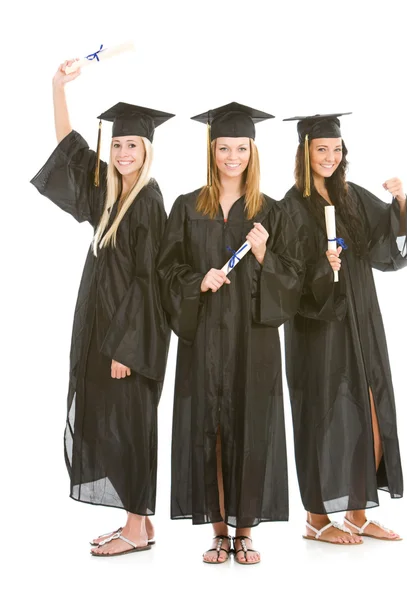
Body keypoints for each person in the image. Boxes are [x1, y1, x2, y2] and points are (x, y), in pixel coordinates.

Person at [30, 59, 174, 557]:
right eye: (117, 143)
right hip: (99, 326)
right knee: (113, 419)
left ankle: (135, 527)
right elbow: (68, 144)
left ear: (147, 150)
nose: (123, 151)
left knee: (132, 421)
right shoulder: (108, 193)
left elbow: (147, 282)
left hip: (129, 337)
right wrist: (57, 88)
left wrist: (126, 348)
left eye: (132, 143)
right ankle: (139, 523)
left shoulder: (149, 201)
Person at [157, 102, 303, 564]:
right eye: (224, 147)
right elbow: (165, 270)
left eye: (241, 147)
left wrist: (264, 257)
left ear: (253, 151)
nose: (233, 156)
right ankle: (218, 530)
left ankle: (246, 530)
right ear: (212, 149)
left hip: (251, 340)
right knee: (210, 429)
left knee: (249, 427)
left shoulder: (271, 212)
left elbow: (294, 278)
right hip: (204, 340)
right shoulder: (186, 206)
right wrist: (197, 281)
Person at [282, 112, 407, 545]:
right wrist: (321, 270)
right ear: (305, 152)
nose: (329, 156)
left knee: (371, 407)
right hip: (316, 323)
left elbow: (387, 251)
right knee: (321, 414)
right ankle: (316, 518)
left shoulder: (352, 197)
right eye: (321, 149)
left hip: (361, 314)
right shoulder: (289, 205)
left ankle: (358, 512)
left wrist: (399, 205)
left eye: (336, 149)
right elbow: (283, 276)